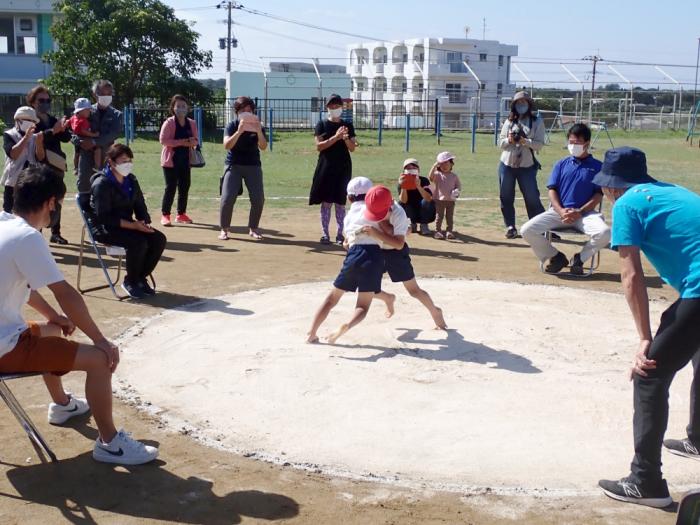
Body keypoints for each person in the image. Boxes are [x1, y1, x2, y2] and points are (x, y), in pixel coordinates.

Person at [0, 165, 158, 465]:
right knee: (100, 360)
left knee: (52, 330)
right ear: (50, 203)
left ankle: (62, 405)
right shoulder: (27, 237)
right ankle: (110, 443)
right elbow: (66, 292)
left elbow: (24, 286)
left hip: (5, 334)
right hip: (4, 346)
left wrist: (53, 316)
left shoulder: (3, 225)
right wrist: (101, 341)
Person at [595, 147, 700, 508]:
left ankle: (646, 482)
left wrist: (644, 338)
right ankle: (699, 437)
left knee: (649, 373)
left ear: (611, 187)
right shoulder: (677, 192)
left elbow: (630, 275)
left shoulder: (627, 204)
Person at [307, 184, 394, 344]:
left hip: (353, 255)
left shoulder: (349, 216)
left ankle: (311, 333)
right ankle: (347, 324)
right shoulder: (376, 211)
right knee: (362, 305)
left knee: (331, 299)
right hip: (374, 256)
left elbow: (347, 242)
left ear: (349, 197)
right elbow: (390, 231)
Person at [520, 123, 611, 275]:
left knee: (605, 233)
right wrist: (561, 210)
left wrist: (580, 212)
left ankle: (579, 259)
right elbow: (552, 190)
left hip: (586, 214)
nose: (573, 145)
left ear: (587, 143)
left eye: (577, 142)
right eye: (571, 142)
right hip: (558, 212)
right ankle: (555, 257)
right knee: (526, 230)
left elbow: (598, 195)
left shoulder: (597, 166)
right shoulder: (561, 164)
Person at [89, 144, 167, 299]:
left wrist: (143, 222)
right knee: (138, 242)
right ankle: (130, 281)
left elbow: (139, 203)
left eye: (129, 160)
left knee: (158, 239)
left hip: (127, 225)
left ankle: (139, 278)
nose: (128, 164)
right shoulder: (101, 184)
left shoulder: (131, 180)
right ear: (111, 162)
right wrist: (133, 226)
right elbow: (103, 217)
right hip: (105, 228)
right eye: (123, 160)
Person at [308, 94, 357, 245]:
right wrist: (335, 137)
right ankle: (325, 233)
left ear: (342, 107)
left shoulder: (347, 125)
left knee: (340, 202)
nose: (335, 109)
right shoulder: (322, 124)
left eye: (337, 106)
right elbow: (319, 146)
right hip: (326, 166)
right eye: (332, 106)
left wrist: (346, 138)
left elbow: (352, 148)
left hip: (343, 166)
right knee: (326, 201)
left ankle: (340, 234)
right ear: (327, 108)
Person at [498, 91, 546, 239]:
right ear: (514, 105)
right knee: (506, 196)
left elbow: (539, 145)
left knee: (532, 197)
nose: (521, 105)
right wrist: (509, 140)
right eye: (519, 103)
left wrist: (526, 141)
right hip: (507, 164)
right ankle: (510, 227)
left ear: (529, 105)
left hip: (527, 165)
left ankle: (540, 227)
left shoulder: (537, 122)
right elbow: (500, 143)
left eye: (524, 103)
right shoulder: (508, 121)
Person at [27, 84, 71, 245]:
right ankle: (36, 233)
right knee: (40, 199)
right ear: (32, 101)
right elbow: (35, 138)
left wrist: (63, 127)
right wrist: (53, 130)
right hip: (38, 165)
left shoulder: (51, 119)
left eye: (48, 100)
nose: (45, 103)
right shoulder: (30, 120)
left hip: (56, 164)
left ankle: (56, 232)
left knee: (57, 197)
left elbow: (65, 138)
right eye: (41, 100)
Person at [220, 96, 267, 240]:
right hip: (233, 164)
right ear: (237, 112)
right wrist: (239, 131)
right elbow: (227, 145)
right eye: (243, 110)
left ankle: (253, 228)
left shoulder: (257, 125)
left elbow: (263, 146)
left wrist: (258, 131)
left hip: (253, 164)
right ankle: (224, 229)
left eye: (249, 110)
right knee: (227, 198)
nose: (247, 113)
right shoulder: (232, 125)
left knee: (258, 199)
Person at [75, 79, 123, 194]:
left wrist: (94, 142)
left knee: (106, 185)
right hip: (86, 154)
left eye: (109, 94)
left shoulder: (117, 115)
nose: (106, 97)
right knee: (84, 183)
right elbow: (74, 131)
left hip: (107, 155)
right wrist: (80, 142)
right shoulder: (86, 111)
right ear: (94, 95)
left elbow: (114, 133)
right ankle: (85, 210)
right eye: (102, 94)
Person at [159, 94, 198, 226]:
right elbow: (163, 140)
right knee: (170, 187)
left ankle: (181, 214)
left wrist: (193, 142)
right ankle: (165, 215)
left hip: (185, 161)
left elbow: (196, 140)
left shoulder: (191, 123)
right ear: (173, 108)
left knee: (184, 187)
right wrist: (182, 142)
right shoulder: (169, 123)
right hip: (170, 161)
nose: (181, 108)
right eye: (178, 106)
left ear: (187, 108)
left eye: (183, 106)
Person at [2, 106, 44, 214]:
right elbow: (13, 154)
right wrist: (26, 138)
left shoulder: (35, 137)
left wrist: (39, 144)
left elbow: (40, 157)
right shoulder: (9, 135)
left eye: (33, 121)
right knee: (10, 214)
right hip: (13, 182)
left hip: (31, 180)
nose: (31, 123)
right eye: (28, 120)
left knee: (33, 214)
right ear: (18, 120)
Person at [397, 158, 435, 235]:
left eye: (414, 168)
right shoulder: (402, 181)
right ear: (404, 171)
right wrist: (403, 186)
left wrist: (418, 186)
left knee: (426, 201)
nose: (411, 170)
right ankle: (411, 223)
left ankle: (423, 225)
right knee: (400, 203)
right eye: (408, 168)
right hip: (411, 211)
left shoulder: (424, 180)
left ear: (418, 170)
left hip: (424, 211)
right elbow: (403, 201)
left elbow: (429, 198)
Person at [429, 151, 461, 240]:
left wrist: (456, 192)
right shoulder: (438, 175)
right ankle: (437, 231)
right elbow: (430, 177)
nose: (445, 166)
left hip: (451, 200)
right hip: (439, 200)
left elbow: (458, 186)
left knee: (449, 217)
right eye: (442, 164)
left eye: (447, 163)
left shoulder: (454, 176)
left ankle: (449, 231)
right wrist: (434, 166)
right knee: (439, 216)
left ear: (451, 164)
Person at [69, 97, 102, 173]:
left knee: (77, 153)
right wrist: (94, 135)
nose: (89, 111)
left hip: (76, 138)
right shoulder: (82, 120)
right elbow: (84, 131)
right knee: (98, 150)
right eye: (86, 110)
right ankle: (97, 167)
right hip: (84, 139)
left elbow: (68, 123)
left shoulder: (74, 117)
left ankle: (75, 168)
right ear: (80, 111)